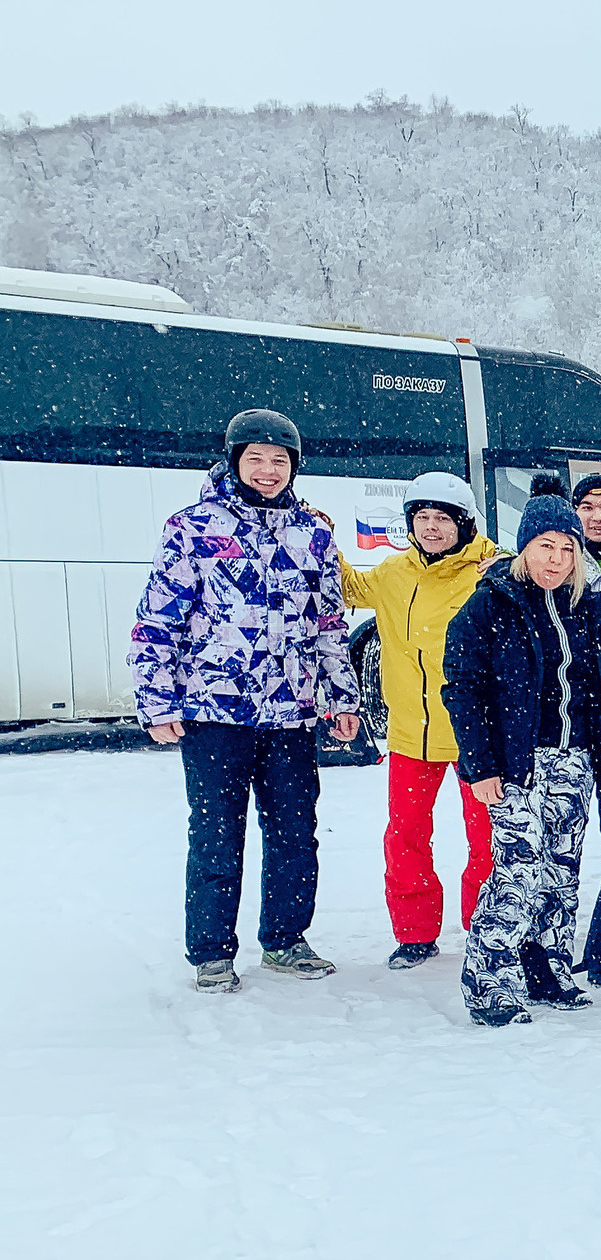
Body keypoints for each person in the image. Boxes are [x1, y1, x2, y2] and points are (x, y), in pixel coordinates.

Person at [132, 408, 363, 991]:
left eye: (279, 460)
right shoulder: (192, 527)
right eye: (255, 458)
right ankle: (211, 951)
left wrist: (341, 698)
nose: (267, 470)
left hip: (290, 709)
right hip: (215, 708)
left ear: (295, 467)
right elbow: (158, 619)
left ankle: (285, 939)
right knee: (216, 831)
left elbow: (329, 625)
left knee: (294, 830)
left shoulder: (313, 534)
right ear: (235, 460)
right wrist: (157, 700)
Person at [438, 491, 601, 1025]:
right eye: (545, 546)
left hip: (573, 762)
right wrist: (480, 766)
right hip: (517, 763)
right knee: (517, 871)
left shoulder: (587, 610)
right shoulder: (490, 603)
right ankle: (490, 980)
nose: (556, 558)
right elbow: (462, 687)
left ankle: (546, 968)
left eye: (567, 548)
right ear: (525, 547)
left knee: (560, 873)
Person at [338, 467, 501, 968]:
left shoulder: (492, 571)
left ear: (465, 522)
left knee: (487, 836)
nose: (432, 527)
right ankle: (414, 932)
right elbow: (348, 589)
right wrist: (323, 539)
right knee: (405, 834)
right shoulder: (392, 573)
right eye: (422, 517)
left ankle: (486, 923)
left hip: (476, 733)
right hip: (411, 730)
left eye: (443, 519)